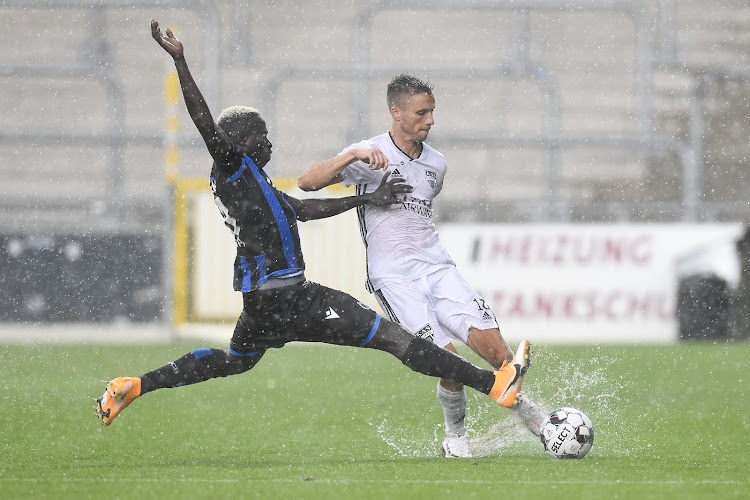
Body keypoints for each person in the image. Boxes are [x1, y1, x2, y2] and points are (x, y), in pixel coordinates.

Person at [94, 21, 532, 436]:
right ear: (238, 141)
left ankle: (136, 385)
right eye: (261, 136)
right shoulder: (232, 167)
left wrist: (365, 199)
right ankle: (493, 384)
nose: (269, 143)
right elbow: (204, 121)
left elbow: (303, 208)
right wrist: (181, 61)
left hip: (262, 304)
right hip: (292, 295)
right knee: (394, 338)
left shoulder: (251, 181)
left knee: (236, 360)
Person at [298, 74, 547, 458]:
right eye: (421, 112)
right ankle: (458, 438)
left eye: (432, 111)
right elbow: (307, 182)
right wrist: (352, 156)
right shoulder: (369, 153)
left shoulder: (437, 165)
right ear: (396, 113)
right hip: (394, 277)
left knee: (501, 355)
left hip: (438, 268)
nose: (430, 120)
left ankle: (536, 419)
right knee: (447, 360)